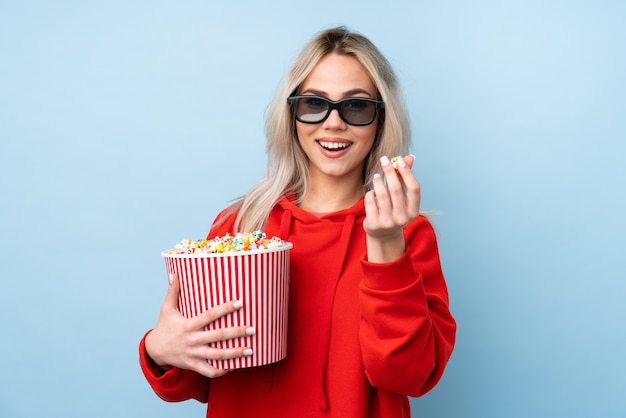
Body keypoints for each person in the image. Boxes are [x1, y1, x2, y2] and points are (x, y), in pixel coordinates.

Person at [139, 26, 456, 417]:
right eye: (314, 104)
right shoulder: (239, 227)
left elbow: (408, 375)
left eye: (356, 106)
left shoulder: (408, 234)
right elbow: (195, 379)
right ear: (292, 115)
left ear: (380, 120)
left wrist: (387, 243)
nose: (334, 123)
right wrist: (159, 349)